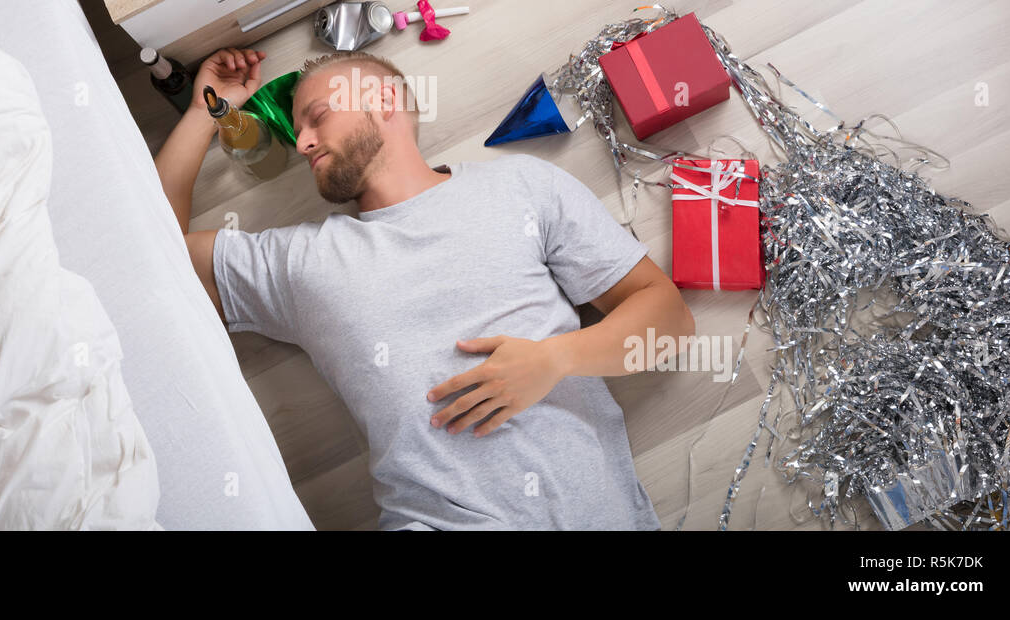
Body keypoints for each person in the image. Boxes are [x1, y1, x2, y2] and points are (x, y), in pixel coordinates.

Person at [155, 46, 694, 530]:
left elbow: (669, 321)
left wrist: (554, 360)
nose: (302, 143)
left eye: (316, 118)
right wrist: (207, 109)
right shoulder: (300, 263)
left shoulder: (522, 188)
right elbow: (150, 251)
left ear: (384, 100)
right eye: (300, 131)